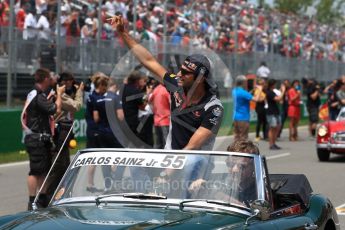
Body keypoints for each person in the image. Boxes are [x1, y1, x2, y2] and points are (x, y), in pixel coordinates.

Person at [109, 15, 223, 150]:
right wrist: (123, 32)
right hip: (172, 159)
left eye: (186, 73)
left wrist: (169, 169)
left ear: (201, 78)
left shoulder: (214, 107)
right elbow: (148, 61)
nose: (180, 75)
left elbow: (192, 146)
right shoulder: (176, 85)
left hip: (197, 165)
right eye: (181, 70)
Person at [21, 68, 64, 210]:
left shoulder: (36, 94)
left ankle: (43, 199)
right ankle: (32, 201)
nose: (51, 80)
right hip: (36, 139)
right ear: (45, 79)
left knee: (44, 171)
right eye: (50, 78)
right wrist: (59, 95)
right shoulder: (38, 96)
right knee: (35, 171)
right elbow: (54, 109)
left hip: (40, 139)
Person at [45, 71, 84, 201]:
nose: (68, 84)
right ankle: (50, 195)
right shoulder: (60, 94)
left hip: (64, 131)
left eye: (70, 81)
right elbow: (76, 106)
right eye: (66, 81)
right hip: (59, 131)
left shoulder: (62, 93)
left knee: (65, 164)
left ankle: (61, 193)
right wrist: (79, 92)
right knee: (58, 165)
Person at [189, 140, 260, 205]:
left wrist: (217, 194)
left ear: (253, 167)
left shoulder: (260, 191)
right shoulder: (220, 183)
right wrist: (198, 189)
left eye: (242, 166)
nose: (235, 169)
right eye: (230, 164)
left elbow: (254, 213)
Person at [232, 75, 262, 142]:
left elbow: (244, 96)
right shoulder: (243, 92)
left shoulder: (234, 91)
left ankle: (235, 151)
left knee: (236, 137)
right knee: (243, 138)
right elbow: (256, 99)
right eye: (246, 82)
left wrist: (251, 91)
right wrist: (260, 89)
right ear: (243, 82)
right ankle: (241, 151)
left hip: (235, 117)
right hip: (243, 117)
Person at [148, 80, 171, 149]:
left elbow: (149, 101)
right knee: (166, 144)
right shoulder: (166, 91)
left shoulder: (156, 90)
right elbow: (172, 103)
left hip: (156, 121)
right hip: (166, 120)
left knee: (157, 144)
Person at [266, 79, 286, 150]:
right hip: (271, 112)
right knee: (272, 128)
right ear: (272, 85)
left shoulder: (273, 92)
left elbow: (280, 99)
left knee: (277, 127)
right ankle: (271, 144)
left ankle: (274, 143)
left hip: (276, 111)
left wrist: (281, 91)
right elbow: (278, 99)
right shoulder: (269, 92)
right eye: (274, 84)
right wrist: (283, 91)